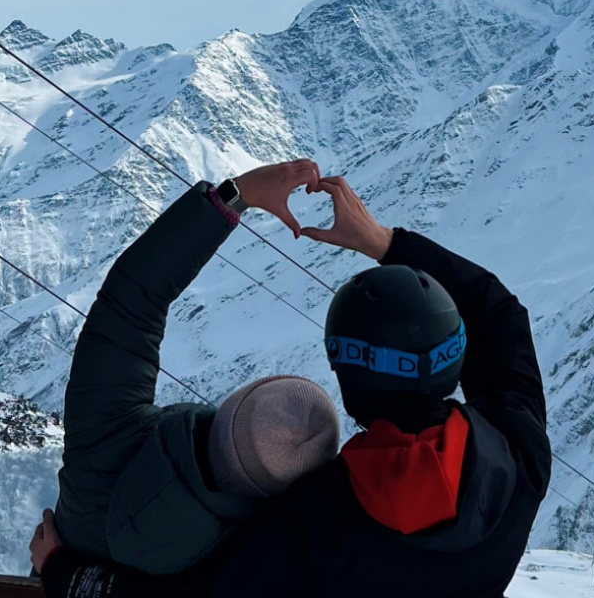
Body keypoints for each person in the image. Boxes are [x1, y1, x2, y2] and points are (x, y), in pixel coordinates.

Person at [36, 171, 552, 598]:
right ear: (454, 357)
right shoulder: (519, 451)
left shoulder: (314, 525)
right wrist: (385, 242)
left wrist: (59, 570)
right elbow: (499, 316)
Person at [28, 160, 342, 580]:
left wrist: (236, 195)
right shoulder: (249, 567)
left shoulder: (107, 434)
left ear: (232, 407)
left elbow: (133, 299)